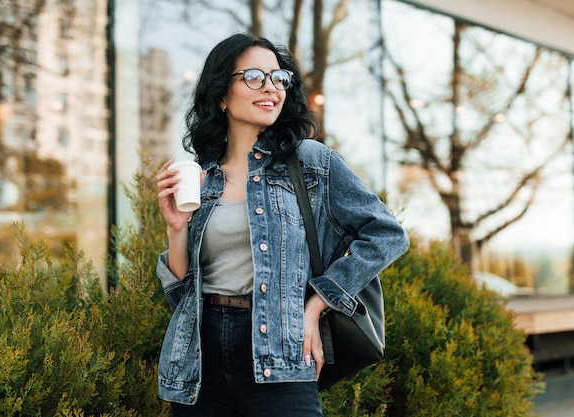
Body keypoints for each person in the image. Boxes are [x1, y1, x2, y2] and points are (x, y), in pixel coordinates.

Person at [155, 33, 409, 417]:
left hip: (283, 354)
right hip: (198, 365)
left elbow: (387, 234)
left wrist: (316, 305)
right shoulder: (202, 177)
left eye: (278, 78)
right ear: (222, 95)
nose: (271, 87)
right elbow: (181, 296)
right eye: (255, 77)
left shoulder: (310, 162)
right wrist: (177, 228)